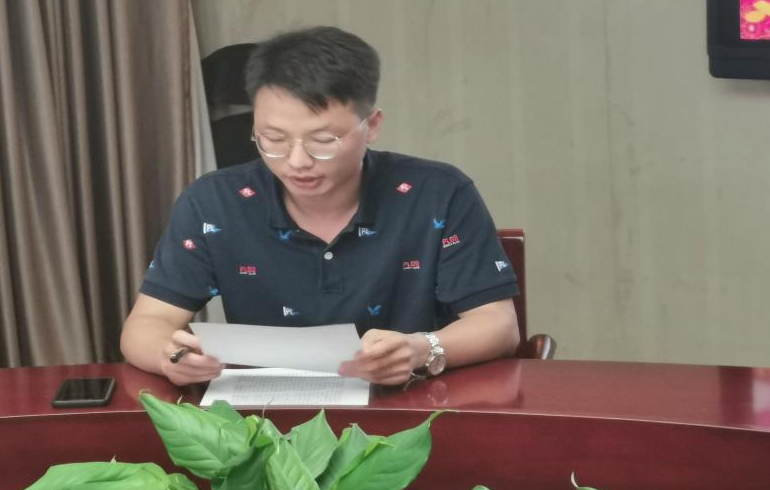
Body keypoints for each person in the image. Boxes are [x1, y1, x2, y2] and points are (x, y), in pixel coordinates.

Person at [120, 26, 519, 386]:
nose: (297, 162)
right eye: (273, 138)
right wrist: (170, 357)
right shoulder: (213, 203)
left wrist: (421, 349)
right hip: (265, 418)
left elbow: (498, 324)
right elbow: (147, 324)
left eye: (323, 141)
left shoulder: (437, 193)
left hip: (409, 408)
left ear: (372, 125)